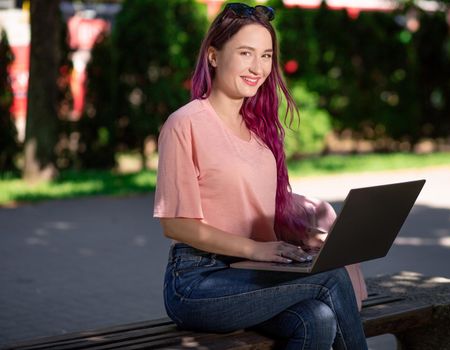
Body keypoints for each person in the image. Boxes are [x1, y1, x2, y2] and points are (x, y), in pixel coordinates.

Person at [153, 3, 368, 349]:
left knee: (317, 319)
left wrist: (307, 237)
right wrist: (256, 249)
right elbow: (175, 225)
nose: (258, 67)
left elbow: (257, 213)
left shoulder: (260, 133)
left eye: (266, 55)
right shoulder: (186, 124)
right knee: (328, 278)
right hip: (197, 282)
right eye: (246, 53)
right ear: (213, 56)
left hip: (251, 271)